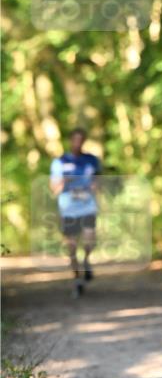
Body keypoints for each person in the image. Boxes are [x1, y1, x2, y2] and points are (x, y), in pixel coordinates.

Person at [49, 127, 102, 297]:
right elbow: (54, 189)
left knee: (89, 239)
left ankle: (86, 262)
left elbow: (98, 182)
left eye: (81, 139)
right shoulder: (60, 163)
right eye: (75, 139)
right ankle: (77, 279)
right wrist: (64, 181)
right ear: (70, 140)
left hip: (87, 206)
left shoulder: (91, 160)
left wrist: (95, 187)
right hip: (68, 209)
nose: (78, 143)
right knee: (71, 246)